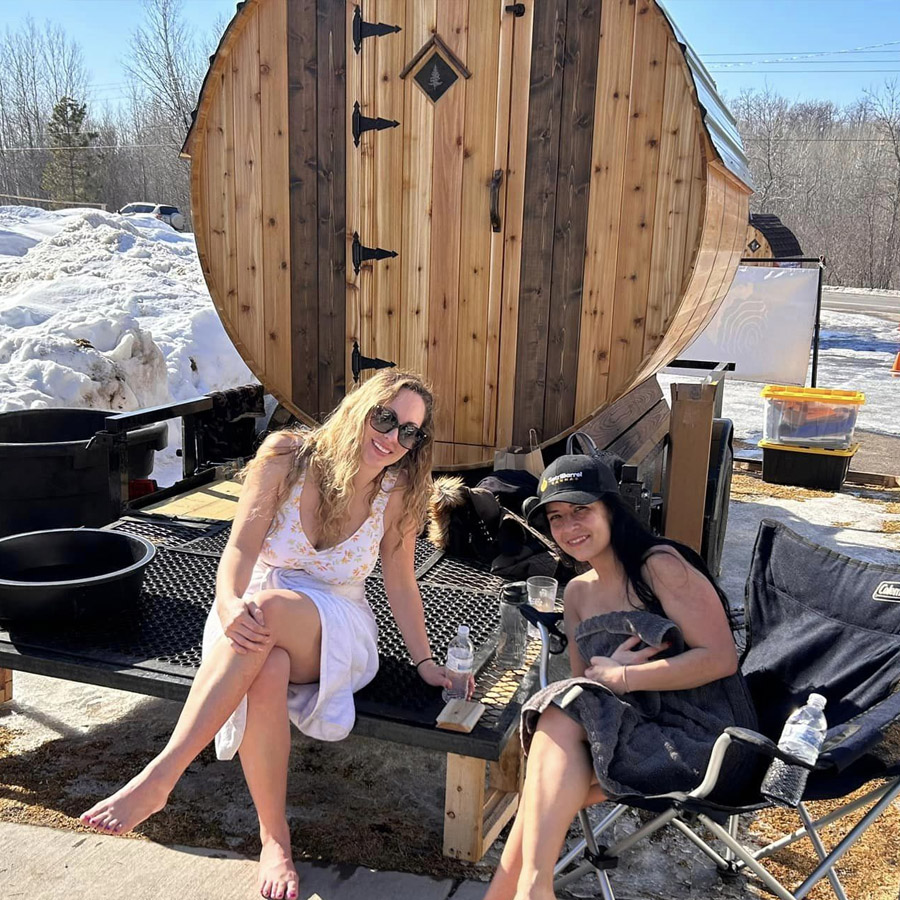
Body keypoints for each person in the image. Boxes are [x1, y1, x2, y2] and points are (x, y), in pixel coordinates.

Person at [80, 369, 471, 900]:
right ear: (360, 406)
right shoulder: (287, 456)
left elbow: (400, 582)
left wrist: (425, 661)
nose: (393, 438)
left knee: (266, 614)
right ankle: (275, 838)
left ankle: (160, 777)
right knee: (266, 665)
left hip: (335, 626)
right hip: (256, 609)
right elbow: (239, 549)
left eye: (410, 432)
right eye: (386, 418)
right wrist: (227, 604)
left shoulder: (398, 489)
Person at [485, 452, 757, 900]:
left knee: (547, 771)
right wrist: (612, 680)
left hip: (705, 737)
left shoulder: (659, 566)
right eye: (556, 518)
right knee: (557, 744)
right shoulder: (576, 594)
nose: (569, 527)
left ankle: (524, 891)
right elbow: (589, 692)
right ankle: (527, 891)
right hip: (630, 733)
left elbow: (721, 659)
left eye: (581, 511)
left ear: (611, 508)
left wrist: (627, 677)